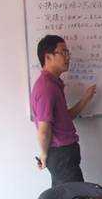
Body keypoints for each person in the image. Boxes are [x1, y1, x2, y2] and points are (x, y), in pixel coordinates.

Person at [30, 35, 97, 187]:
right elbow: (44, 130)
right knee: (74, 196)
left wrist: (85, 99)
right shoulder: (46, 88)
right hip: (61, 155)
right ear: (48, 57)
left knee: (69, 195)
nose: (68, 57)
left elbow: (65, 117)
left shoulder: (54, 84)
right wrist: (44, 155)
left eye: (68, 53)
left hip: (65, 154)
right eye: (63, 52)